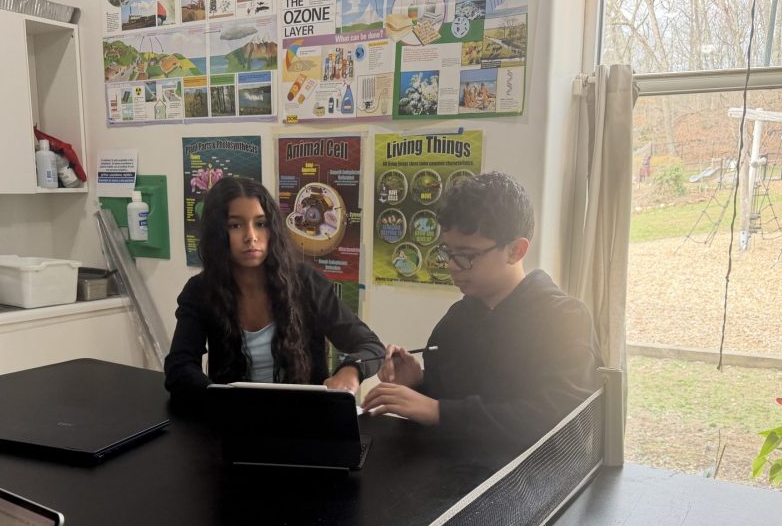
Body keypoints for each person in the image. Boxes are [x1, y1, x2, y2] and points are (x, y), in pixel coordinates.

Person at [362, 172, 601, 451]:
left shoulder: (564, 319)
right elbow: (452, 400)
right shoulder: (457, 319)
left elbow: (563, 424)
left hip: (525, 472)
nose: (452, 265)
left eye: (467, 255)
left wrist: (438, 411)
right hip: (451, 464)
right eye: (449, 251)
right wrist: (418, 384)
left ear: (516, 250)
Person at [165, 176, 385, 403]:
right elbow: (179, 368)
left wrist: (351, 371)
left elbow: (371, 346)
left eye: (261, 224)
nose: (251, 237)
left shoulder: (307, 282)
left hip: (307, 415)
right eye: (235, 225)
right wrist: (217, 399)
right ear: (218, 233)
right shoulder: (200, 290)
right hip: (231, 418)